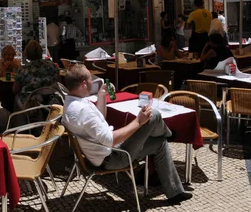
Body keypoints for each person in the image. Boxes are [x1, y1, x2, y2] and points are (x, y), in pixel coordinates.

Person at [62, 65, 192, 204]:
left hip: (100, 154)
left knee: (159, 143)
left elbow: (99, 118)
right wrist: (138, 121)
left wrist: (101, 95)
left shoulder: (71, 104)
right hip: (113, 157)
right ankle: (168, 133)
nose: (93, 82)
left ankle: (175, 193)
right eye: (90, 79)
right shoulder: (83, 110)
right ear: (83, 84)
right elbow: (110, 140)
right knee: (153, 115)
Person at [14, 40, 59, 110]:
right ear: (41, 52)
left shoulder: (23, 69)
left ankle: (17, 118)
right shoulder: (52, 65)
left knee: (16, 97)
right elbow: (59, 82)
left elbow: (15, 89)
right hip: (50, 99)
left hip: (30, 102)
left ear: (27, 53)